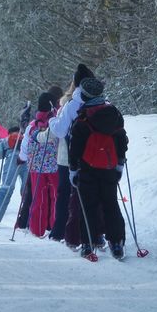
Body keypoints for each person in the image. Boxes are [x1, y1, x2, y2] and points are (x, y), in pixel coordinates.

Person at [68, 77, 128, 260]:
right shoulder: (114, 115)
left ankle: (88, 245)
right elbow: (122, 141)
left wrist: (73, 169)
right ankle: (116, 243)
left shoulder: (83, 117)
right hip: (109, 167)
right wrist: (119, 164)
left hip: (87, 168)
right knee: (111, 203)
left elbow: (75, 147)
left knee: (88, 206)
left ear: (84, 96)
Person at [48, 64, 93, 247]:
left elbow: (59, 130)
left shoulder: (67, 103)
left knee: (65, 194)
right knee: (86, 195)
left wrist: (51, 120)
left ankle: (60, 231)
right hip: (91, 155)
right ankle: (90, 233)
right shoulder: (97, 100)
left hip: (67, 156)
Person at [25, 92, 59, 237]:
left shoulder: (33, 124)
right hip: (53, 165)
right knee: (56, 197)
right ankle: (55, 227)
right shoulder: (55, 121)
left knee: (38, 197)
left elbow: (26, 145)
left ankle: (37, 228)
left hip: (35, 166)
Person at [0, 125, 25, 226]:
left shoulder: (5, 141)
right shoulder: (26, 138)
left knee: (6, 189)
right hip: (26, 162)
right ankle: (28, 220)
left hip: (12, 160)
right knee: (28, 191)